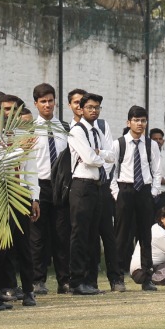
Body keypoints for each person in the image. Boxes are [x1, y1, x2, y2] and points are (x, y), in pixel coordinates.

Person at [66, 91, 118, 295]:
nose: (94, 111)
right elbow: (88, 158)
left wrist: (99, 153)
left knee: (92, 235)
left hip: (97, 186)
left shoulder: (98, 131)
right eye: (90, 107)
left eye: (97, 108)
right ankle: (76, 281)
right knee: (79, 234)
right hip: (81, 186)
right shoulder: (77, 131)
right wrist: (99, 154)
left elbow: (112, 156)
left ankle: (90, 281)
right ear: (81, 109)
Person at [113, 104, 163, 291]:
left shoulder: (151, 145)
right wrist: (116, 194)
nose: (140, 124)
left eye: (143, 120)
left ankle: (147, 277)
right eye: (136, 120)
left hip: (145, 191)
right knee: (122, 236)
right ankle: (118, 277)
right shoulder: (119, 143)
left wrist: (154, 192)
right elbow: (112, 171)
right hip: (125, 189)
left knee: (145, 236)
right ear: (129, 122)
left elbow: (157, 170)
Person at [27, 83, 69, 295]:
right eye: (43, 101)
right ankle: (38, 280)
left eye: (50, 100)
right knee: (38, 236)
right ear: (36, 104)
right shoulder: (30, 129)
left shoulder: (65, 127)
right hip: (39, 186)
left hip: (60, 187)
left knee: (61, 235)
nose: (47, 105)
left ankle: (64, 280)